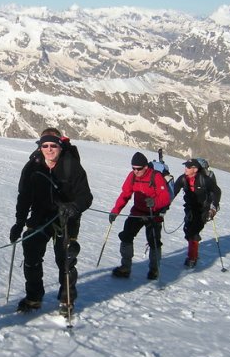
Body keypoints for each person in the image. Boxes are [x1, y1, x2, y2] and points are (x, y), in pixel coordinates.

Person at [9, 128, 93, 317]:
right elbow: (24, 196)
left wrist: (73, 207)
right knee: (31, 254)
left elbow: (86, 197)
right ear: (40, 147)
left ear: (60, 146)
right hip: (39, 217)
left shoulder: (72, 166)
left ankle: (66, 300)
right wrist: (19, 222)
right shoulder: (32, 166)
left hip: (66, 218)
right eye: (44, 145)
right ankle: (34, 297)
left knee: (65, 259)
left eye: (53, 145)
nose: (49, 149)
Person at [109, 152, 171, 280]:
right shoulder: (132, 176)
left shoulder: (156, 176)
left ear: (146, 167)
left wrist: (154, 203)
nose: (135, 171)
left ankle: (154, 270)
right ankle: (125, 267)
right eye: (133, 168)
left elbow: (165, 198)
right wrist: (115, 211)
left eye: (138, 168)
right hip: (137, 212)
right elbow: (125, 194)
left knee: (153, 241)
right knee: (126, 236)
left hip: (153, 214)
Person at [172, 158, 222, 267]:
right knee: (188, 229)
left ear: (195, 169)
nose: (186, 168)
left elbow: (217, 192)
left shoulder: (204, 180)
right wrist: (164, 204)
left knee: (193, 231)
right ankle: (193, 252)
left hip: (203, 209)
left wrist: (213, 208)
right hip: (190, 208)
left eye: (188, 167)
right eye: (186, 166)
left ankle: (192, 258)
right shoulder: (183, 179)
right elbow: (173, 192)